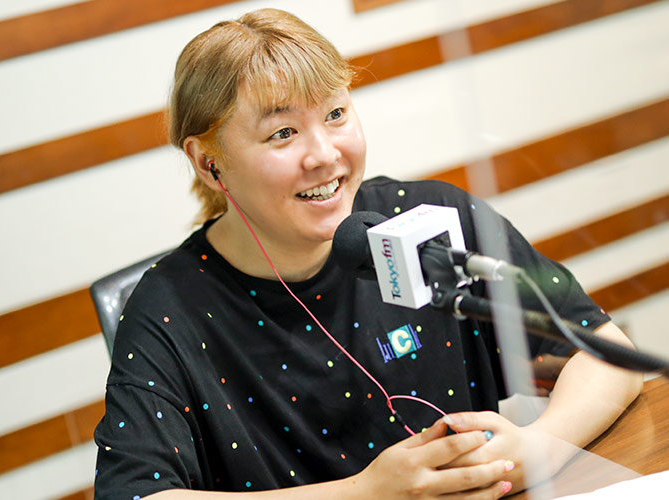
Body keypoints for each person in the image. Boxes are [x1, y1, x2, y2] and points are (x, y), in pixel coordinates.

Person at [93, 8, 642, 500]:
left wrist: (540, 447)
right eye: (283, 133)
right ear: (209, 163)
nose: (324, 155)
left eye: (335, 114)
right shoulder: (169, 309)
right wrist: (366, 494)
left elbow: (607, 351)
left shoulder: (431, 219)